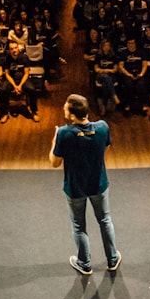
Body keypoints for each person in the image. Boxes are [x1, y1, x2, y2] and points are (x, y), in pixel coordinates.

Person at [49, 94, 120, 275]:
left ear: (72, 115)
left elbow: (54, 162)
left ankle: (84, 263)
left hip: (75, 188)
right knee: (105, 221)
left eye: (65, 108)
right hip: (99, 184)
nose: (63, 109)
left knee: (79, 226)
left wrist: (54, 142)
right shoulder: (102, 127)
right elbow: (105, 148)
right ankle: (112, 259)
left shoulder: (64, 133)